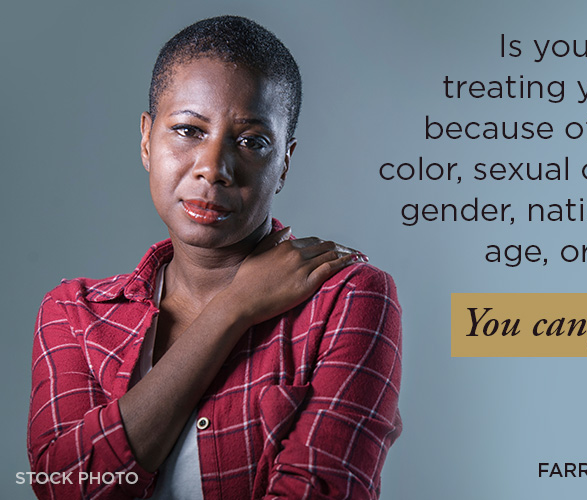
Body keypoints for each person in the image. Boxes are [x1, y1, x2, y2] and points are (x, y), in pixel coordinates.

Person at [27, 16, 401, 500]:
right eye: (187, 130)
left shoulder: (345, 300)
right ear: (146, 140)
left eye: (251, 141)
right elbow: (66, 487)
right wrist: (232, 308)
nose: (213, 168)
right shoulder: (75, 314)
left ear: (283, 162)